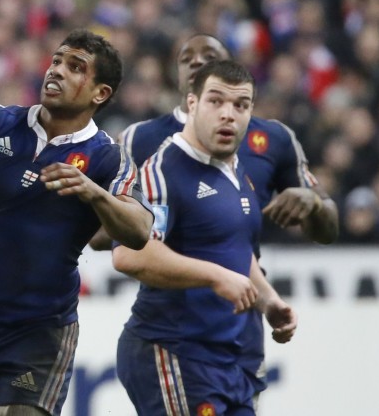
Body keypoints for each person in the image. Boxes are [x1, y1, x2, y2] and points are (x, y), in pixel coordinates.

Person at [0, 29, 153, 416]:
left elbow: (140, 231)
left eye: (75, 67)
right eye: (57, 60)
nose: (56, 71)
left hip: (38, 337)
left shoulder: (109, 158)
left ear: (100, 93)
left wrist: (94, 193)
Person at [104, 33, 337, 401]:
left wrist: (268, 300)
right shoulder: (160, 168)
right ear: (192, 103)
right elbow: (129, 254)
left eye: (241, 105)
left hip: (234, 352)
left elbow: (232, 247)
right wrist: (215, 277)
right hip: (176, 348)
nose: (229, 113)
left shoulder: (237, 169)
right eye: (216, 101)